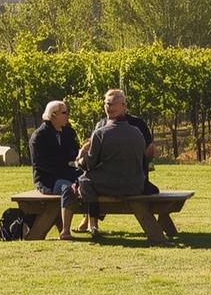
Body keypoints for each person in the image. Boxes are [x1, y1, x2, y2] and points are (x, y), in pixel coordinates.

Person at [61, 92, 149, 240]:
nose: (109, 107)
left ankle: (93, 223)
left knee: (84, 180)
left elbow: (90, 163)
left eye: (112, 103)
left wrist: (80, 161)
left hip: (110, 185)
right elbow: (143, 158)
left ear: (124, 106)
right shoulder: (137, 132)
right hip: (135, 185)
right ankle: (91, 223)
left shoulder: (101, 133)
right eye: (107, 103)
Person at [29, 100, 80, 197]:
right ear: (54, 114)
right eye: (64, 113)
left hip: (69, 175)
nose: (67, 116)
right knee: (69, 190)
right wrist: (67, 165)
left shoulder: (68, 132)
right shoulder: (39, 136)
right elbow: (42, 164)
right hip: (48, 180)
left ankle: (94, 212)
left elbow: (74, 153)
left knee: (91, 185)